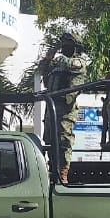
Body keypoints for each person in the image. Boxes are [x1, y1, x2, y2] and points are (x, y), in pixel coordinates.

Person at [39, 31, 89, 184]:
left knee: (63, 141)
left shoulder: (77, 62)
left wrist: (60, 58)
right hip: (51, 107)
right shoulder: (57, 64)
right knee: (49, 139)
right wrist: (48, 59)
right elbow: (43, 72)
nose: (65, 47)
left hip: (65, 108)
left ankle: (63, 173)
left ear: (75, 47)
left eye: (69, 45)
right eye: (64, 44)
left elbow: (72, 71)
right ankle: (52, 170)